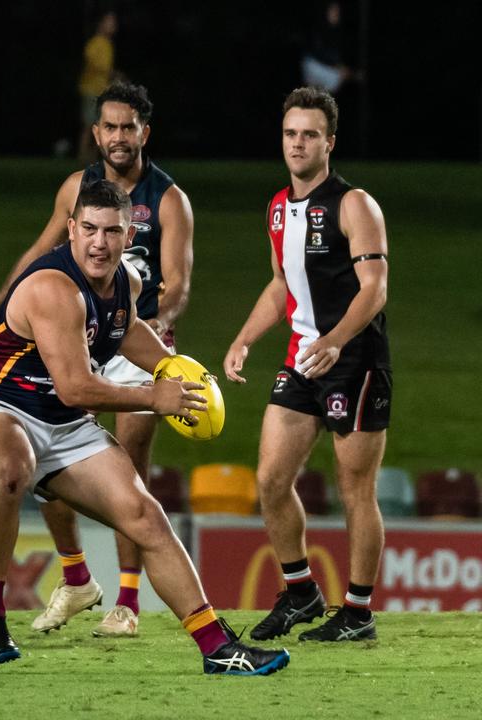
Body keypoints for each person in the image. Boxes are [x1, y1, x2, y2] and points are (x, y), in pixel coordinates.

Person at [0, 179, 288, 675]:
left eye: (111, 231)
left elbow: (125, 332)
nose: (99, 243)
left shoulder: (127, 280)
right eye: (88, 229)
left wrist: (175, 370)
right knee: (12, 465)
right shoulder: (52, 289)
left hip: (60, 421)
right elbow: (77, 389)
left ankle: (218, 648)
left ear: (129, 236)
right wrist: (156, 397)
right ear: (70, 230)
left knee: (145, 516)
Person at [0, 82, 194, 638]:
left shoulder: (166, 198)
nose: (117, 136)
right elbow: (37, 257)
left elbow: (178, 283)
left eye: (127, 127)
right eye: (108, 127)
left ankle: (129, 601)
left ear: (144, 133)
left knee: (127, 466)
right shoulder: (75, 189)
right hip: (70, 334)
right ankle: (76, 576)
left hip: (131, 330)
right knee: (40, 452)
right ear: (96, 133)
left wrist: (156, 340)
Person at [225, 87, 389, 643]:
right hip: (300, 360)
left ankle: (358, 613)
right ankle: (300, 593)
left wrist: (339, 341)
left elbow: (375, 289)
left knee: (354, 490)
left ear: (329, 142)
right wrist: (244, 338)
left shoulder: (354, 204)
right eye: (291, 134)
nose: (298, 143)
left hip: (355, 361)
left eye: (310, 135)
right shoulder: (277, 207)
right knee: (271, 479)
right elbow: (281, 284)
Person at [77, 11, 117, 162]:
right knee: (88, 125)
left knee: (99, 127)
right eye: (109, 22)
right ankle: (81, 159)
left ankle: (92, 160)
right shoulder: (95, 43)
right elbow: (95, 64)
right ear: (101, 24)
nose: (113, 26)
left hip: (101, 91)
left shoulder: (107, 44)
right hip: (90, 89)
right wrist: (112, 74)